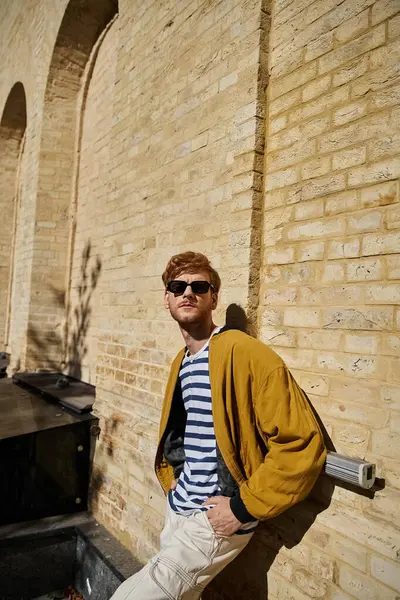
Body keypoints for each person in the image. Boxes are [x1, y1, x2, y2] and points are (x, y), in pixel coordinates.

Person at [110, 251, 326, 599]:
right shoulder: (181, 362)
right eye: (178, 286)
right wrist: (175, 487)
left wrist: (241, 508)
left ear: (214, 297)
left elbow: (301, 443)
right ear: (166, 299)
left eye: (199, 286)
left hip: (216, 517)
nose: (187, 292)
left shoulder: (246, 353)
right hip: (179, 507)